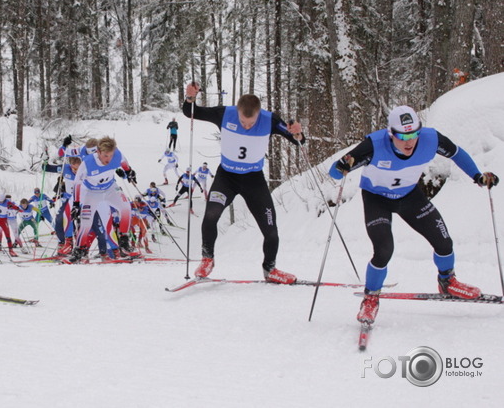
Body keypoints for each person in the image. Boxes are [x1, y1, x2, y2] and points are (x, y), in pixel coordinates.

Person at [329, 105, 499, 324]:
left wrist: (477, 176)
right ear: (391, 133)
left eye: (414, 134)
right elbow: (334, 172)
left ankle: (447, 281)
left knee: (444, 241)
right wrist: (343, 165)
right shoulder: (373, 145)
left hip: (409, 196)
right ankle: (371, 298)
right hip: (376, 199)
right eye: (403, 136)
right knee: (383, 250)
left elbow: (457, 153)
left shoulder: (431, 139)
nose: (409, 142)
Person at [183, 82, 304, 283]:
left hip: (253, 180)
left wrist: (297, 132)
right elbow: (191, 112)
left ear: (258, 113)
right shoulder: (225, 114)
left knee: (270, 228)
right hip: (226, 178)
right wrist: (190, 98)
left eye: (251, 122)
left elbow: (297, 140)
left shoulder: (270, 120)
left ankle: (270, 270)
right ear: (238, 111)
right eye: (243, 121)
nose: (247, 126)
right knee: (211, 215)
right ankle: (207, 259)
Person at [70, 136, 137, 263]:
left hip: (110, 189)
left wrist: (129, 171)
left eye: (111, 155)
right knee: (86, 222)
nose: (109, 159)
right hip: (91, 193)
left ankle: (124, 241)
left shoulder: (116, 154)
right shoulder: (88, 163)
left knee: (126, 207)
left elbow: (124, 162)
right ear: (98, 152)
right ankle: (79, 250)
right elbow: (77, 183)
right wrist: (76, 203)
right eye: (106, 155)